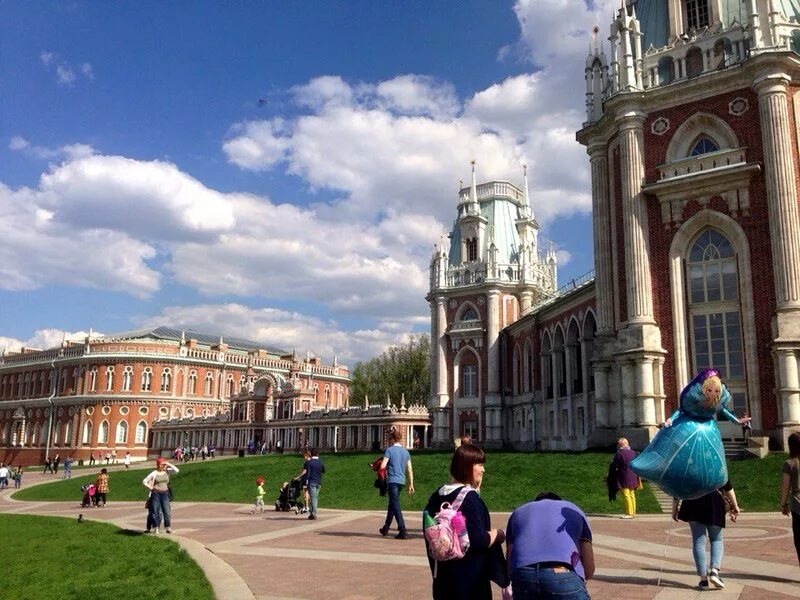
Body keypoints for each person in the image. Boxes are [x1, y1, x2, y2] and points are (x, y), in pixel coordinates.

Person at [423, 444, 506, 600]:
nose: (483, 470)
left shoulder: (435, 496)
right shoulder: (471, 499)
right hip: (470, 583)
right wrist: (498, 534)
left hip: (442, 578)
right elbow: (480, 541)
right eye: (480, 464)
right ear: (468, 466)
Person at [506, 492, 595, 599]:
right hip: (562, 573)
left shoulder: (518, 512)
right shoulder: (575, 510)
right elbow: (589, 566)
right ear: (559, 501)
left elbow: (510, 559)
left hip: (523, 574)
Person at [672, 480, 740, 589]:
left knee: (698, 542)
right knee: (716, 539)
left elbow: (678, 486)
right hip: (714, 501)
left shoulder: (688, 463)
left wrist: (674, 507)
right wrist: (735, 506)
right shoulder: (716, 462)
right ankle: (714, 572)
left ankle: (703, 580)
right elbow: (728, 486)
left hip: (692, 500)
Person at [379, 429, 415, 539]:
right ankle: (386, 528)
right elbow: (409, 469)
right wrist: (411, 484)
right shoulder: (406, 452)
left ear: (393, 439)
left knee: (395, 504)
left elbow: (382, 466)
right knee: (392, 504)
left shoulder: (389, 450)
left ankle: (402, 529)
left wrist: (379, 464)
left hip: (393, 481)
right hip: (402, 481)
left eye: (390, 439)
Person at [143, 457, 179, 534]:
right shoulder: (154, 473)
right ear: (158, 465)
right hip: (156, 493)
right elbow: (144, 481)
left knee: (167, 511)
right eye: (162, 464)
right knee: (156, 511)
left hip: (165, 493)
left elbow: (177, 470)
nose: (163, 466)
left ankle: (168, 528)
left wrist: (168, 463)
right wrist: (151, 487)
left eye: (164, 465)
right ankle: (156, 528)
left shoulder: (167, 471)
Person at [780, 431, 800, 566]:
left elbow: (786, 487)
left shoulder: (790, 463)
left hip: (798, 505)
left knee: (799, 540)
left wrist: (783, 504)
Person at [295, 448, 325, 520]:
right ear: (318, 454)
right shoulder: (321, 462)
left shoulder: (309, 462)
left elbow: (308, 473)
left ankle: (313, 513)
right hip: (319, 482)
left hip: (312, 482)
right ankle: (312, 513)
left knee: (313, 498)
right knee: (314, 498)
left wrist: (306, 482)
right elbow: (323, 471)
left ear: (311, 454)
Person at [613, 438, 639, 519]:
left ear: (620, 445)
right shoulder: (633, 452)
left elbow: (615, 465)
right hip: (633, 475)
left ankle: (629, 513)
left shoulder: (619, 453)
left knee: (626, 494)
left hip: (624, 475)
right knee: (632, 494)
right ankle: (633, 512)